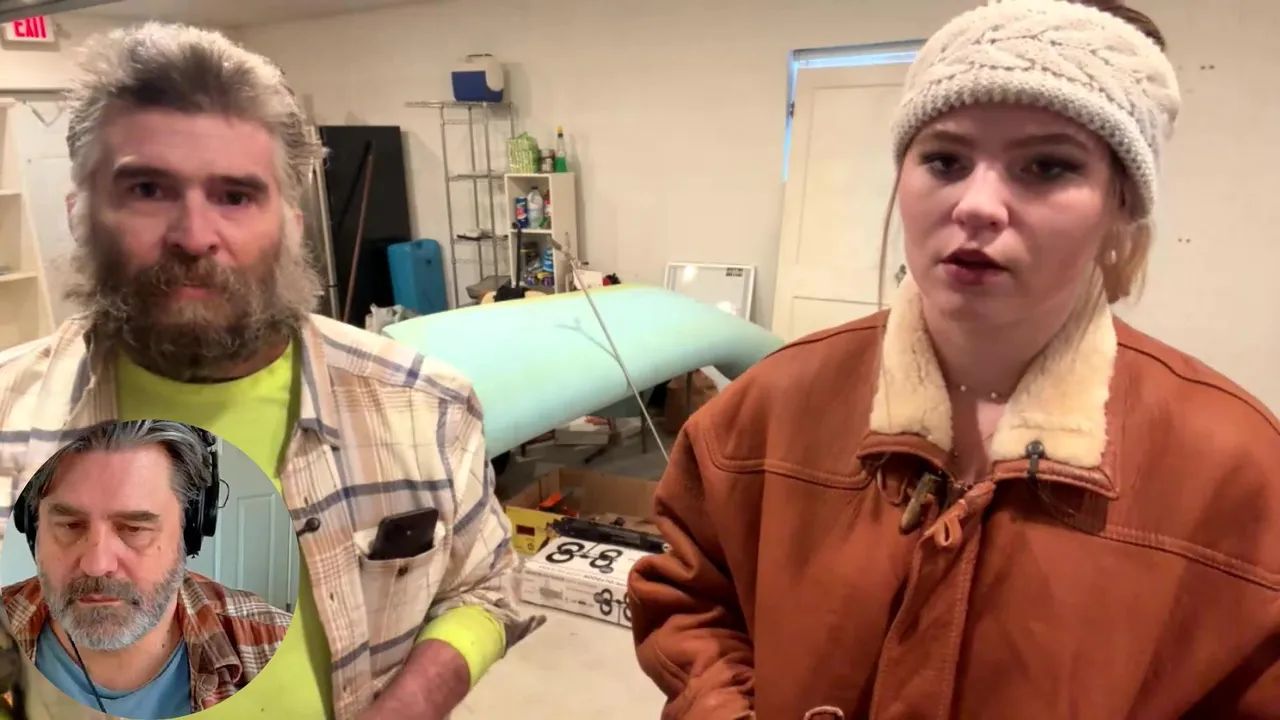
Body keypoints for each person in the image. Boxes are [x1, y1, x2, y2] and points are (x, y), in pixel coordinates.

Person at [628, 1, 1280, 718]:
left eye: (1046, 166)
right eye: (945, 159)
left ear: (1121, 204)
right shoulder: (772, 405)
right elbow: (692, 598)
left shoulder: (1237, 470)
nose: (977, 204)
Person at [0, 21, 540, 720]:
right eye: (148, 188)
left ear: (291, 223)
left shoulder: (424, 405)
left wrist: (408, 706)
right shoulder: (10, 418)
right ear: (80, 213)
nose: (194, 236)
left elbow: (488, 588)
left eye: (235, 196)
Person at [2, 420, 289, 719]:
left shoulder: (279, 647)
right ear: (32, 528)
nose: (97, 565)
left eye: (134, 528)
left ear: (189, 531)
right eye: (71, 525)